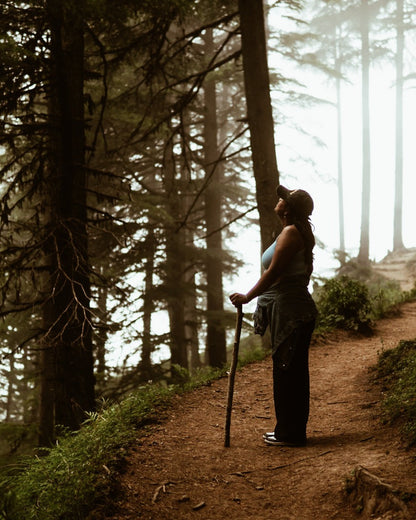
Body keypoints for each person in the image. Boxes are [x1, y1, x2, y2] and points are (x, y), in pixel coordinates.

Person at [230, 185, 317, 447]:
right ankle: (287, 430)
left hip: (293, 313)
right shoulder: (290, 231)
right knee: (287, 371)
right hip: (292, 310)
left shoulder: (291, 233)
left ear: (289, 209)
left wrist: (247, 296)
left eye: (285, 199)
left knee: (288, 371)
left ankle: (291, 434)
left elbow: (273, 274)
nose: (280, 200)